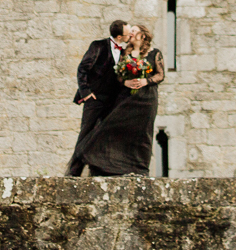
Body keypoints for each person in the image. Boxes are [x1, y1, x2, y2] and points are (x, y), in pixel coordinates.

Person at [68, 23, 164, 176]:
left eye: (133, 31)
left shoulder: (155, 53)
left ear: (142, 35)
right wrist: (125, 82)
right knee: (108, 129)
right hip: (127, 99)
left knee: (142, 134)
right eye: (129, 31)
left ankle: (140, 169)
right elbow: (117, 75)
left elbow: (160, 74)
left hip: (147, 99)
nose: (130, 34)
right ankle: (100, 166)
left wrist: (146, 81)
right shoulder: (125, 53)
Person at [66, 20, 129, 176]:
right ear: (120, 36)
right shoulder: (98, 46)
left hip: (113, 102)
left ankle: (97, 171)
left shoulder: (124, 52)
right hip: (95, 99)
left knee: (104, 136)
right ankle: (73, 173)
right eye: (128, 33)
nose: (130, 36)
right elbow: (83, 69)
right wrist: (86, 93)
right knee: (86, 134)